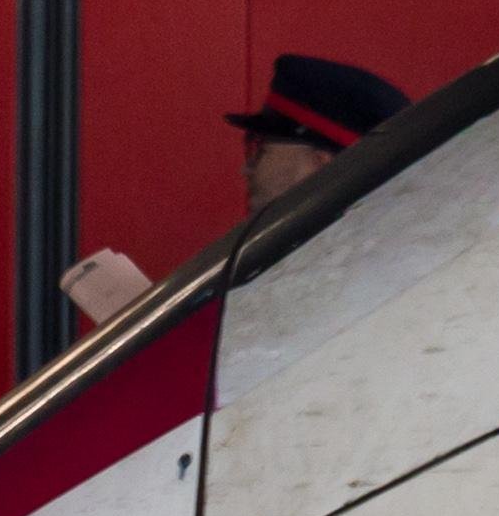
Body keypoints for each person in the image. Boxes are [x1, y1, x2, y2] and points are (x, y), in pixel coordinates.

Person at [57, 49, 408, 328]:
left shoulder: (351, 279)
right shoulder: (310, 261)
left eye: (262, 149)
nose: (246, 168)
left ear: (320, 163)